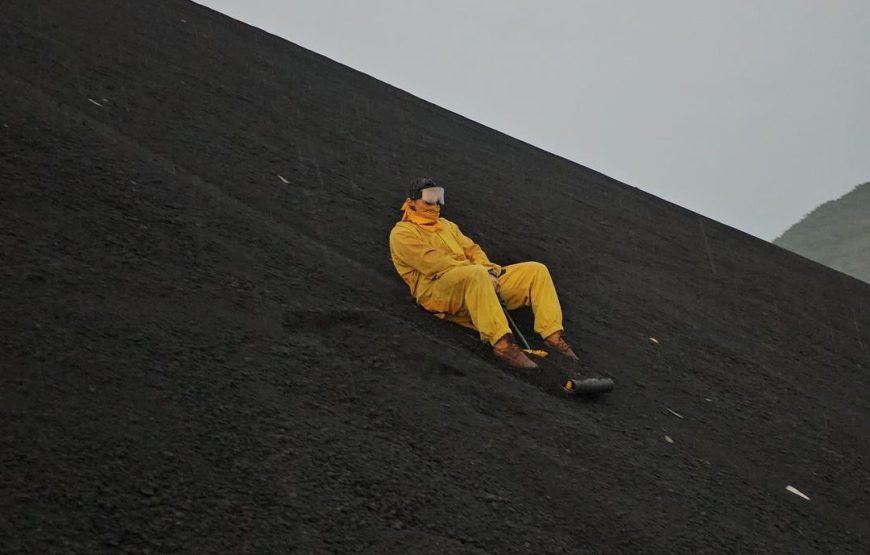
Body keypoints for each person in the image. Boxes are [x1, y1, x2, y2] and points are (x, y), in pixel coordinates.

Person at [389, 177, 581, 369]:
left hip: (477, 280)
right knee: (476, 274)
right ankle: (503, 344)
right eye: (429, 198)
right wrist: (479, 272)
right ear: (412, 201)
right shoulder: (402, 233)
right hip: (436, 291)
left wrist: (489, 271)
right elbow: (433, 263)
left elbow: (473, 250)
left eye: (438, 197)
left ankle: (553, 336)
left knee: (536, 270)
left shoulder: (447, 226)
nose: (435, 204)